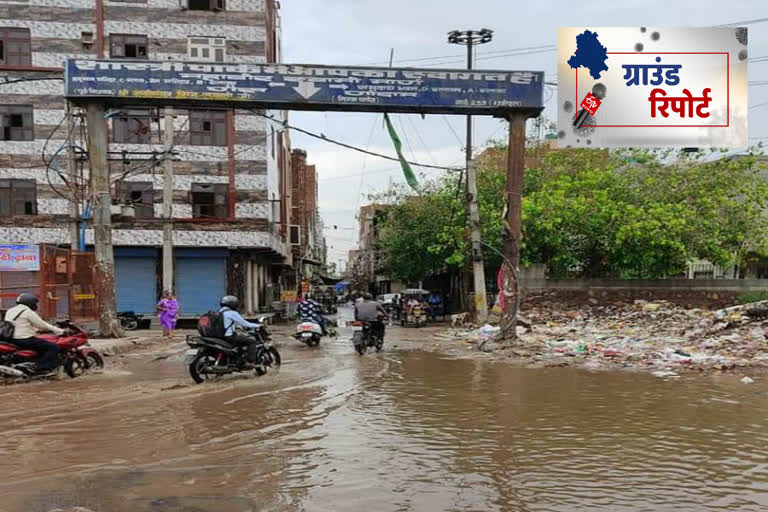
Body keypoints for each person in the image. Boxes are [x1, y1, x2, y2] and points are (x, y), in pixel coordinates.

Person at [4, 293, 65, 375]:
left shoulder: (10, 310)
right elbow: (42, 324)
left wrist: (35, 330)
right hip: (23, 339)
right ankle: (41, 367)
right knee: (53, 347)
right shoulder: (27, 312)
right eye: (35, 303)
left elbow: (19, 324)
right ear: (30, 302)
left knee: (41, 346)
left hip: (10, 338)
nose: (36, 305)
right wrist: (59, 331)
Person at [219, 295, 263, 364]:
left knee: (240, 340)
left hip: (221, 336)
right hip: (229, 337)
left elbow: (229, 323)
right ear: (232, 304)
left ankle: (238, 358)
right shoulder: (232, 313)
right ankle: (250, 361)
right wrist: (258, 325)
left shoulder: (220, 312)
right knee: (252, 341)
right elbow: (245, 323)